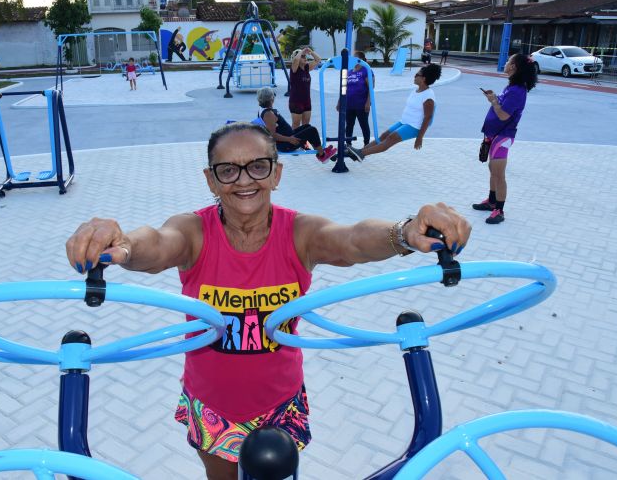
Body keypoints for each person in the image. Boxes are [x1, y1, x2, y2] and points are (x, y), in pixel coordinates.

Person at [64, 123, 471, 480]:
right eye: (228, 170)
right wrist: (123, 242)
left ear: (276, 173)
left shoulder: (300, 232)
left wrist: (404, 233)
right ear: (210, 180)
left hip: (280, 404)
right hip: (212, 404)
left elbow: (351, 239)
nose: (244, 180)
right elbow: (156, 244)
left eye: (258, 166)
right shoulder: (193, 232)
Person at [472, 53, 538, 224]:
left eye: (509, 61)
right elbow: (501, 106)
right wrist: (494, 98)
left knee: (499, 174)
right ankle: (492, 201)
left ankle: (499, 210)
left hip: (503, 136)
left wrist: (493, 101)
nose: (506, 63)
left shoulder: (517, 91)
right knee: (493, 169)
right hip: (496, 134)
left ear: (514, 67)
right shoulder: (512, 87)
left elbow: (503, 115)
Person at [348, 64, 442, 162]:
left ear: (423, 78)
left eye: (417, 75)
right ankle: (360, 152)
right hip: (404, 121)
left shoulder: (428, 96)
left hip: (414, 126)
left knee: (391, 138)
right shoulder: (416, 91)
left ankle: (361, 154)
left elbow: (428, 117)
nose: (414, 76)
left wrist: (419, 137)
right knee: (384, 135)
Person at [257, 87, 336, 163]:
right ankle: (322, 156)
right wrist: (289, 139)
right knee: (312, 130)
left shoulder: (264, 110)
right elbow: (272, 135)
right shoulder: (268, 114)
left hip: (287, 138)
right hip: (286, 144)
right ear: (271, 99)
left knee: (307, 127)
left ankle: (320, 151)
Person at [336, 50, 372, 149]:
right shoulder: (349, 71)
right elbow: (344, 88)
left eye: (355, 57)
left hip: (362, 104)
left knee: (364, 124)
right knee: (349, 125)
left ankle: (366, 144)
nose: (352, 59)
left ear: (360, 59)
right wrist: (339, 101)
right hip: (348, 104)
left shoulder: (366, 70)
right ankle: (348, 144)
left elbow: (371, 88)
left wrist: (368, 102)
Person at [288, 47, 321, 129]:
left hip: (306, 101)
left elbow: (318, 60)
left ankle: (304, 141)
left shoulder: (307, 68)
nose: (305, 58)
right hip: (296, 101)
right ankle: (294, 141)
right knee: (296, 125)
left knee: (306, 125)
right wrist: (302, 51)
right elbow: (295, 60)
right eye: (302, 56)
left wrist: (311, 52)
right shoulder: (294, 69)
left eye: (305, 56)